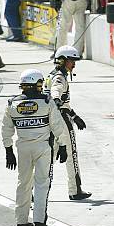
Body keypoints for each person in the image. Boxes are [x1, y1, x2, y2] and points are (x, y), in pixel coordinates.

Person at [1, 69, 68, 226]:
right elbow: (57, 125)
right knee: (41, 183)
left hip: (22, 148)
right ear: (37, 84)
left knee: (23, 183)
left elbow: (6, 129)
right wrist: (64, 145)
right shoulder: (47, 101)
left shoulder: (12, 103)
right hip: (43, 148)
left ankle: (21, 221)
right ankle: (39, 221)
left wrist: (8, 151)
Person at [44, 45, 91, 200]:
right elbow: (56, 92)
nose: (74, 64)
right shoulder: (59, 77)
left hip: (52, 120)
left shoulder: (52, 75)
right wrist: (57, 101)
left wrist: (75, 115)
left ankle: (35, 191)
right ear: (63, 61)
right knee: (71, 155)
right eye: (72, 61)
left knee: (49, 157)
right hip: (61, 121)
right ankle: (75, 190)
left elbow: (61, 101)